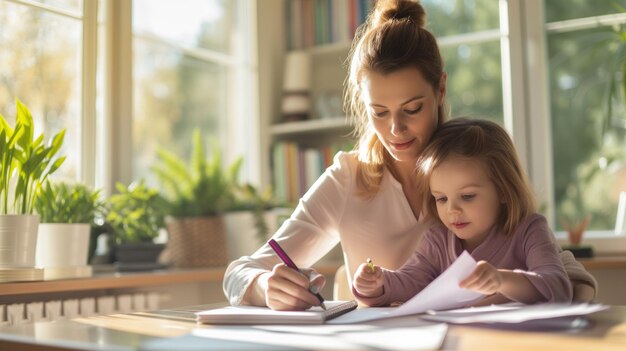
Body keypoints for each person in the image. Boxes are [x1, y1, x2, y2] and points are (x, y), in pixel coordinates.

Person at [223, 0, 596, 310]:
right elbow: (239, 271)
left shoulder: (475, 163)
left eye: (412, 108)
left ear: (441, 89)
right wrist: (262, 286)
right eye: (379, 113)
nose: (395, 130)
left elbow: (560, 267)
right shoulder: (348, 178)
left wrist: (565, 301)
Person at [353, 118, 573, 306]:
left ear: (504, 190)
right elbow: (410, 282)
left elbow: (558, 288)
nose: (452, 210)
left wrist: (501, 280)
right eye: (441, 198)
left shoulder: (529, 230)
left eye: (467, 196)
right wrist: (377, 284)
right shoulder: (437, 241)